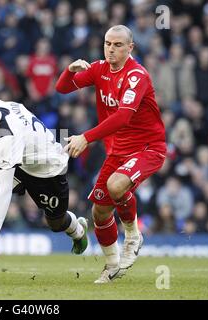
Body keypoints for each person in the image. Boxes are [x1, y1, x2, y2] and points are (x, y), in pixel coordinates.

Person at [56, 25, 166, 283]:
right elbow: (63, 89)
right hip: (117, 151)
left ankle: (133, 235)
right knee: (99, 212)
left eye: (118, 45)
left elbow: (123, 117)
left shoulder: (137, 75)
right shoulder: (99, 69)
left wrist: (86, 137)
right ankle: (112, 265)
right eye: (108, 43)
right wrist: (68, 71)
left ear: (130, 48)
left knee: (116, 186)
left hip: (148, 148)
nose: (111, 49)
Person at [0, 95, 88, 262]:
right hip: (20, 161)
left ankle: (77, 229)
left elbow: (4, 192)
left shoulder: (7, 139)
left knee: (56, 223)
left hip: (47, 170)